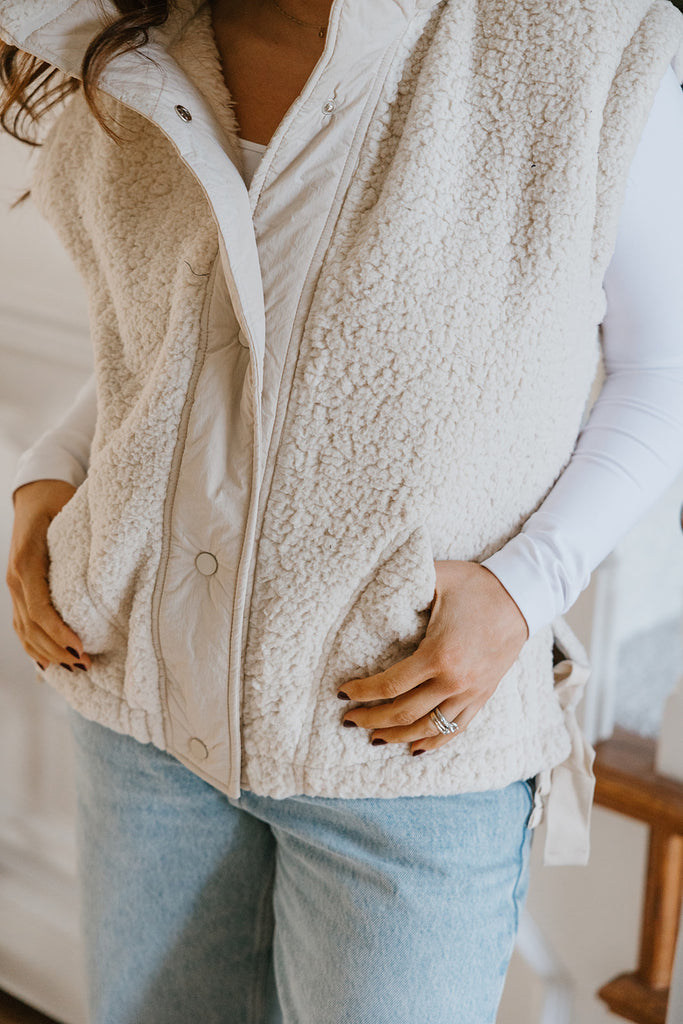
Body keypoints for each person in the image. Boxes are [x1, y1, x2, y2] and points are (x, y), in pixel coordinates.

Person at [3, 0, 683, 1021]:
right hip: (142, 716)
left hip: (399, 743)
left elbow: (660, 369)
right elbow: (181, 332)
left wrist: (521, 584)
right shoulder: (135, 30)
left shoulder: (577, 40)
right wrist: (45, 476)